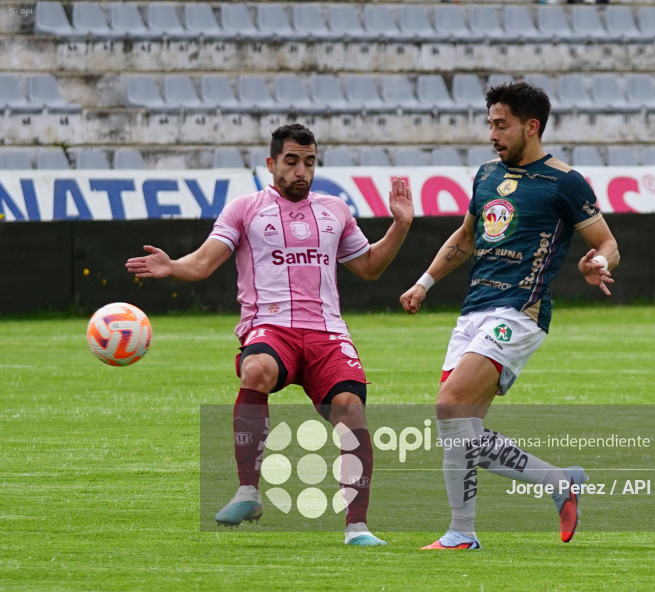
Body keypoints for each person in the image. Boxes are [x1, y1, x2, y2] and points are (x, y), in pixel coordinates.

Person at [126, 124, 414, 546]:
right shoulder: (245, 209)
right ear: (272, 163)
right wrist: (173, 266)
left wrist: (400, 226)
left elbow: (369, 267)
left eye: (310, 162)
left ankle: (357, 527)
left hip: (327, 333)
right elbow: (205, 262)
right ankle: (248, 491)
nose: (302, 171)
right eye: (292, 161)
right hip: (270, 326)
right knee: (257, 369)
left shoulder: (335, 210)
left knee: (352, 412)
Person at [399, 82, 619, 550]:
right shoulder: (484, 175)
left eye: (502, 125)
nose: (493, 134)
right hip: (472, 312)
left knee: (447, 405)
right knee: (463, 433)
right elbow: (465, 238)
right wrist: (424, 282)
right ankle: (550, 485)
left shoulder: (564, 181)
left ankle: (463, 531)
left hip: (521, 311)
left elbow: (607, 242)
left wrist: (598, 263)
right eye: (490, 124)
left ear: (531, 127)